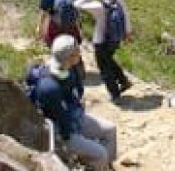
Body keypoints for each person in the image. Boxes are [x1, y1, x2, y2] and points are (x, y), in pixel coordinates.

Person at [26, 35, 117, 171]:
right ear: (69, 56)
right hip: (63, 133)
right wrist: (79, 138)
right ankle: (96, 165)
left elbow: (78, 91)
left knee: (110, 130)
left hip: (75, 116)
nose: (80, 52)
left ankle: (104, 166)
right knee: (101, 154)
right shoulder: (49, 87)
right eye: (77, 50)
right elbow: (62, 123)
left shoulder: (70, 69)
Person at [75, 0, 133, 101]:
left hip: (100, 39)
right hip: (116, 36)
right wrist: (128, 31)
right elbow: (125, 13)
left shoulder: (96, 5)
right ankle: (123, 81)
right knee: (109, 59)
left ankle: (115, 94)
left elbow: (76, 4)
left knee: (104, 67)